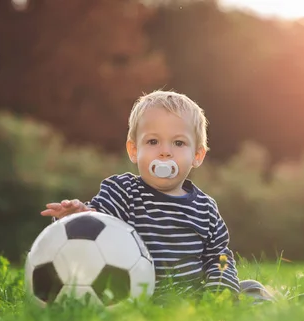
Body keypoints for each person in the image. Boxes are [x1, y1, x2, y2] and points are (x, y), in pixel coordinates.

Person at [41, 90, 274, 302]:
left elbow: (218, 258)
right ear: (134, 150)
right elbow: (96, 225)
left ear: (197, 155)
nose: (165, 151)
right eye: (153, 141)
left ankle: (290, 305)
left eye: (178, 142)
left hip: (191, 301)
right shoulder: (123, 191)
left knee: (249, 289)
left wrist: (217, 296)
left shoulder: (205, 208)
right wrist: (75, 216)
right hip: (134, 298)